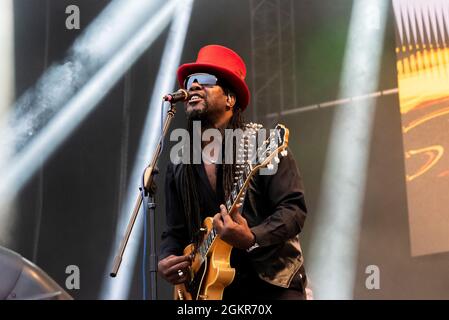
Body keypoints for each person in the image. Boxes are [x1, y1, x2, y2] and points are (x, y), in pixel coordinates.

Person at [158, 44, 308, 300]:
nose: (193, 86)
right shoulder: (180, 163)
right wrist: (168, 257)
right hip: (211, 287)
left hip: (272, 282)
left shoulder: (263, 144)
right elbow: (175, 230)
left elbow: (293, 211)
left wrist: (252, 237)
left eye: (205, 81)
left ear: (230, 98)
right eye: (191, 80)